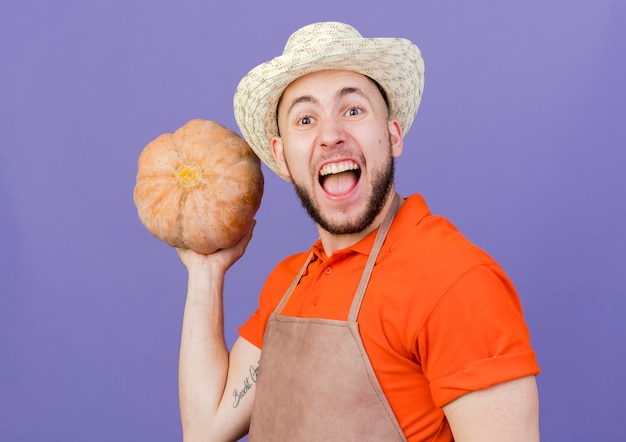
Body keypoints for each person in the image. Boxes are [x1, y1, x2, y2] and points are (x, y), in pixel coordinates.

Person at [176, 22, 540, 441]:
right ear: (281, 158)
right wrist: (206, 271)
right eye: (306, 119)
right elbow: (205, 430)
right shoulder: (287, 288)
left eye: (353, 110)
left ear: (392, 134)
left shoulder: (455, 281)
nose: (331, 135)